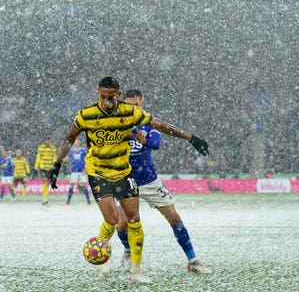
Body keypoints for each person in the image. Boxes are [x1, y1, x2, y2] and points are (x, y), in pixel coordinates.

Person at [47, 76, 209, 283]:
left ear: (136, 102)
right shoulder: (88, 116)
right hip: (109, 173)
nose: (107, 102)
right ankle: (123, 253)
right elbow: (70, 137)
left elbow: (159, 133)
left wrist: (190, 138)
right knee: (117, 223)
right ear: (98, 94)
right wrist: (57, 164)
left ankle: (187, 260)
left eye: (112, 98)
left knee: (164, 218)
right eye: (103, 97)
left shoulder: (135, 118)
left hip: (142, 177)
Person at [115, 89, 210, 274]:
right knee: (122, 224)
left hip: (149, 180)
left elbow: (157, 143)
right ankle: (128, 252)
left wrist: (145, 141)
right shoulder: (117, 124)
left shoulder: (148, 123)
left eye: (136, 104)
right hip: (125, 180)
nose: (132, 108)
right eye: (128, 105)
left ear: (142, 103)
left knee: (174, 218)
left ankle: (193, 260)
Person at [64, 138, 92, 205]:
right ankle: (68, 201)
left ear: (79, 143)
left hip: (82, 171)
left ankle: (88, 201)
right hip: (74, 171)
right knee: (72, 186)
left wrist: (86, 169)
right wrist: (60, 159)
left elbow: (87, 159)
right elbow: (67, 159)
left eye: (77, 142)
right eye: (75, 142)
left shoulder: (83, 151)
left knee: (84, 185)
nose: (76, 143)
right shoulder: (72, 151)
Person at [34, 138, 56, 206]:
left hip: (49, 168)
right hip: (43, 167)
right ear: (45, 141)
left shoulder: (53, 148)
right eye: (47, 140)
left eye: (49, 140)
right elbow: (38, 157)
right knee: (45, 182)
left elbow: (54, 157)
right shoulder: (41, 148)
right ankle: (45, 199)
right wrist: (36, 166)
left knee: (47, 183)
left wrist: (55, 165)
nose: (48, 142)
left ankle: (45, 199)